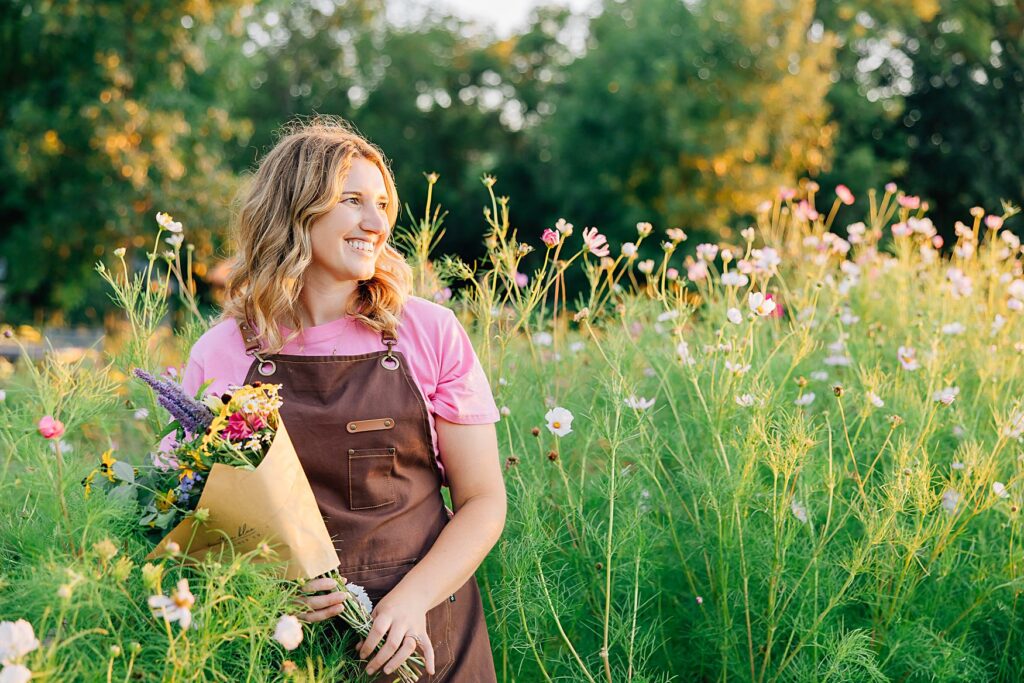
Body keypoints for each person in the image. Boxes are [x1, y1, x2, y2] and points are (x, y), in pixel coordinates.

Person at [178, 117, 506, 681]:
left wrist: (411, 602)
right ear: (296, 209)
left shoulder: (429, 332)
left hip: (427, 639)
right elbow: (195, 521)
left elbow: (483, 501)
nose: (376, 223)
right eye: (352, 200)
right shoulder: (223, 353)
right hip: (280, 646)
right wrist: (261, 592)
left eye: (382, 204)